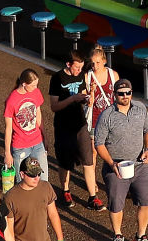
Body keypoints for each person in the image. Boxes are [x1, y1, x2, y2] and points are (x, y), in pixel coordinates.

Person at [92, 79, 148, 241]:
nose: (125, 96)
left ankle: (141, 235)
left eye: (128, 93)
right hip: (116, 167)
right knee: (116, 205)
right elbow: (99, 144)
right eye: (121, 93)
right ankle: (118, 234)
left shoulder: (140, 108)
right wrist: (111, 163)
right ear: (114, 95)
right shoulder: (107, 115)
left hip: (140, 165)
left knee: (146, 201)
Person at [50, 50, 100, 209]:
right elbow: (54, 106)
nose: (79, 71)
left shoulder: (81, 76)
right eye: (77, 68)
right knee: (65, 162)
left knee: (88, 160)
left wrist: (88, 97)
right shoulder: (57, 78)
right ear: (68, 64)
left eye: (81, 68)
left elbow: (84, 96)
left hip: (80, 124)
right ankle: (65, 190)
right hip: (63, 126)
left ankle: (93, 197)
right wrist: (72, 98)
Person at [4, 155, 65, 241]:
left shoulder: (46, 187)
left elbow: (53, 214)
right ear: (22, 174)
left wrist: (60, 238)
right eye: (32, 175)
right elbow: (9, 229)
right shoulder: (10, 197)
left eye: (38, 174)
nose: (36, 178)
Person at [3, 68, 47, 181]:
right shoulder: (11, 101)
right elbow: (8, 129)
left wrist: (44, 138)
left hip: (37, 142)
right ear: (24, 84)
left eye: (37, 85)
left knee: (43, 179)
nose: (36, 88)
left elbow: (38, 116)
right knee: (21, 180)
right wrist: (8, 153)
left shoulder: (36, 93)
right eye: (33, 85)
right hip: (20, 145)